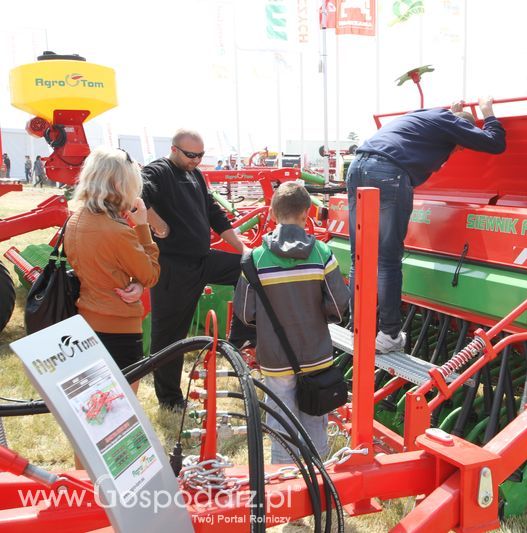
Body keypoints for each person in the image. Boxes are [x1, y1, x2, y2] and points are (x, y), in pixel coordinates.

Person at [346, 97, 506, 353]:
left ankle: (359, 329)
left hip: (358, 166)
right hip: (388, 173)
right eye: (461, 146)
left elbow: (439, 129)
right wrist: (488, 113)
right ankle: (388, 335)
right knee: (387, 260)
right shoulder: (449, 123)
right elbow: (495, 144)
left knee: (360, 257)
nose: (459, 150)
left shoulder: (429, 117)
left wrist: (456, 115)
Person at [233, 181, 349, 464]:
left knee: (281, 417)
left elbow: (245, 313)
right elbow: (339, 305)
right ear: (306, 213)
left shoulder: (255, 260)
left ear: (272, 213)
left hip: (275, 357)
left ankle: (284, 477)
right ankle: (317, 478)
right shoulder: (322, 254)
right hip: (317, 354)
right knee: (315, 417)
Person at [141, 129, 249, 409]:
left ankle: (240, 340)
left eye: (200, 155)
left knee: (249, 270)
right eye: (191, 155)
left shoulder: (195, 175)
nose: (196, 161)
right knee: (170, 334)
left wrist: (242, 248)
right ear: (174, 149)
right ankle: (170, 399)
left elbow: (213, 212)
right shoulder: (159, 170)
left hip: (201, 259)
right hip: (172, 265)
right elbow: (135, 193)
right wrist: (155, 222)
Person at [64, 147, 160, 385]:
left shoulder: (74, 220)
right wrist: (142, 227)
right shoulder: (117, 231)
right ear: (120, 184)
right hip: (119, 327)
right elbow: (151, 274)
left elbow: (107, 267)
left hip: (85, 320)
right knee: (123, 410)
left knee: (93, 405)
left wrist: (135, 282)